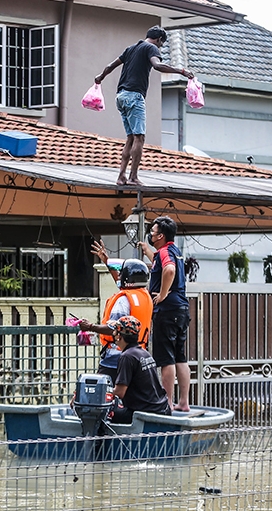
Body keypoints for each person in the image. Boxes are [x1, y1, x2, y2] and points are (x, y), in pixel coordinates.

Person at [93, 26, 194, 186]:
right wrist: (181, 71)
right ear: (159, 40)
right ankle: (133, 177)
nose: (160, 47)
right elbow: (157, 66)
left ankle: (121, 176)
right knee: (139, 137)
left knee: (131, 138)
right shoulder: (151, 48)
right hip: (134, 96)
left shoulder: (131, 48)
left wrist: (100, 77)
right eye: (161, 44)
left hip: (121, 96)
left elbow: (110, 66)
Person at [140, 215, 191, 412]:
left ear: (160, 235)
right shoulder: (174, 251)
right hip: (181, 310)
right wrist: (147, 251)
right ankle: (183, 402)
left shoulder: (164, 252)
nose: (151, 235)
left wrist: (161, 295)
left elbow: (168, 270)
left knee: (166, 359)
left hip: (167, 311)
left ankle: (167, 403)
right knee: (180, 357)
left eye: (152, 232)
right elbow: (163, 263)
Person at [77, 255, 154, 378]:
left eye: (121, 273)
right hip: (139, 353)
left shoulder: (123, 300)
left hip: (115, 356)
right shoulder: (145, 296)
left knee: (100, 391)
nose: (119, 276)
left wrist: (90, 326)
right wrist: (107, 261)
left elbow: (114, 328)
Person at [110, 315, 171, 423]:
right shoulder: (144, 353)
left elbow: (120, 392)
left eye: (114, 332)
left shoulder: (127, 357)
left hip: (144, 413)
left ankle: (99, 440)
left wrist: (102, 392)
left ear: (119, 336)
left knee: (104, 414)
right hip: (162, 408)